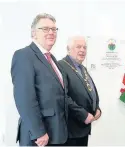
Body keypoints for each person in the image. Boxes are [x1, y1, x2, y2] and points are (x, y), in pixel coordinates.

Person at [10, 13, 68, 146]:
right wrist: (38, 132)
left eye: (54, 29)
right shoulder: (24, 56)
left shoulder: (52, 59)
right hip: (38, 137)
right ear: (34, 33)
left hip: (56, 133)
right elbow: (24, 98)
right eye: (45, 29)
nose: (51, 32)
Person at [58, 36, 101, 146]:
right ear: (68, 49)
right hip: (71, 130)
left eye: (84, 47)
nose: (82, 50)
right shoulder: (61, 66)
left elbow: (90, 91)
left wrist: (97, 108)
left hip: (83, 129)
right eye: (78, 47)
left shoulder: (82, 68)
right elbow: (63, 96)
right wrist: (83, 115)